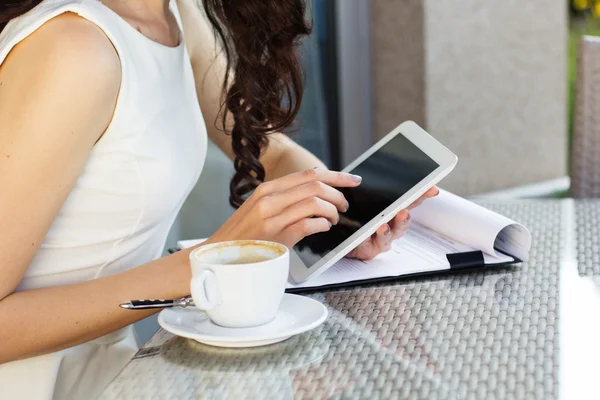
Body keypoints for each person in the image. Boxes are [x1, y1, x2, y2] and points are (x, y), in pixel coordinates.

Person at [0, 0, 438, 398]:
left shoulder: (174, 14)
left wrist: (340, 213)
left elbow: (266, 146)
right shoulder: (73, 50)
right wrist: (211, 261)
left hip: (113, 374)